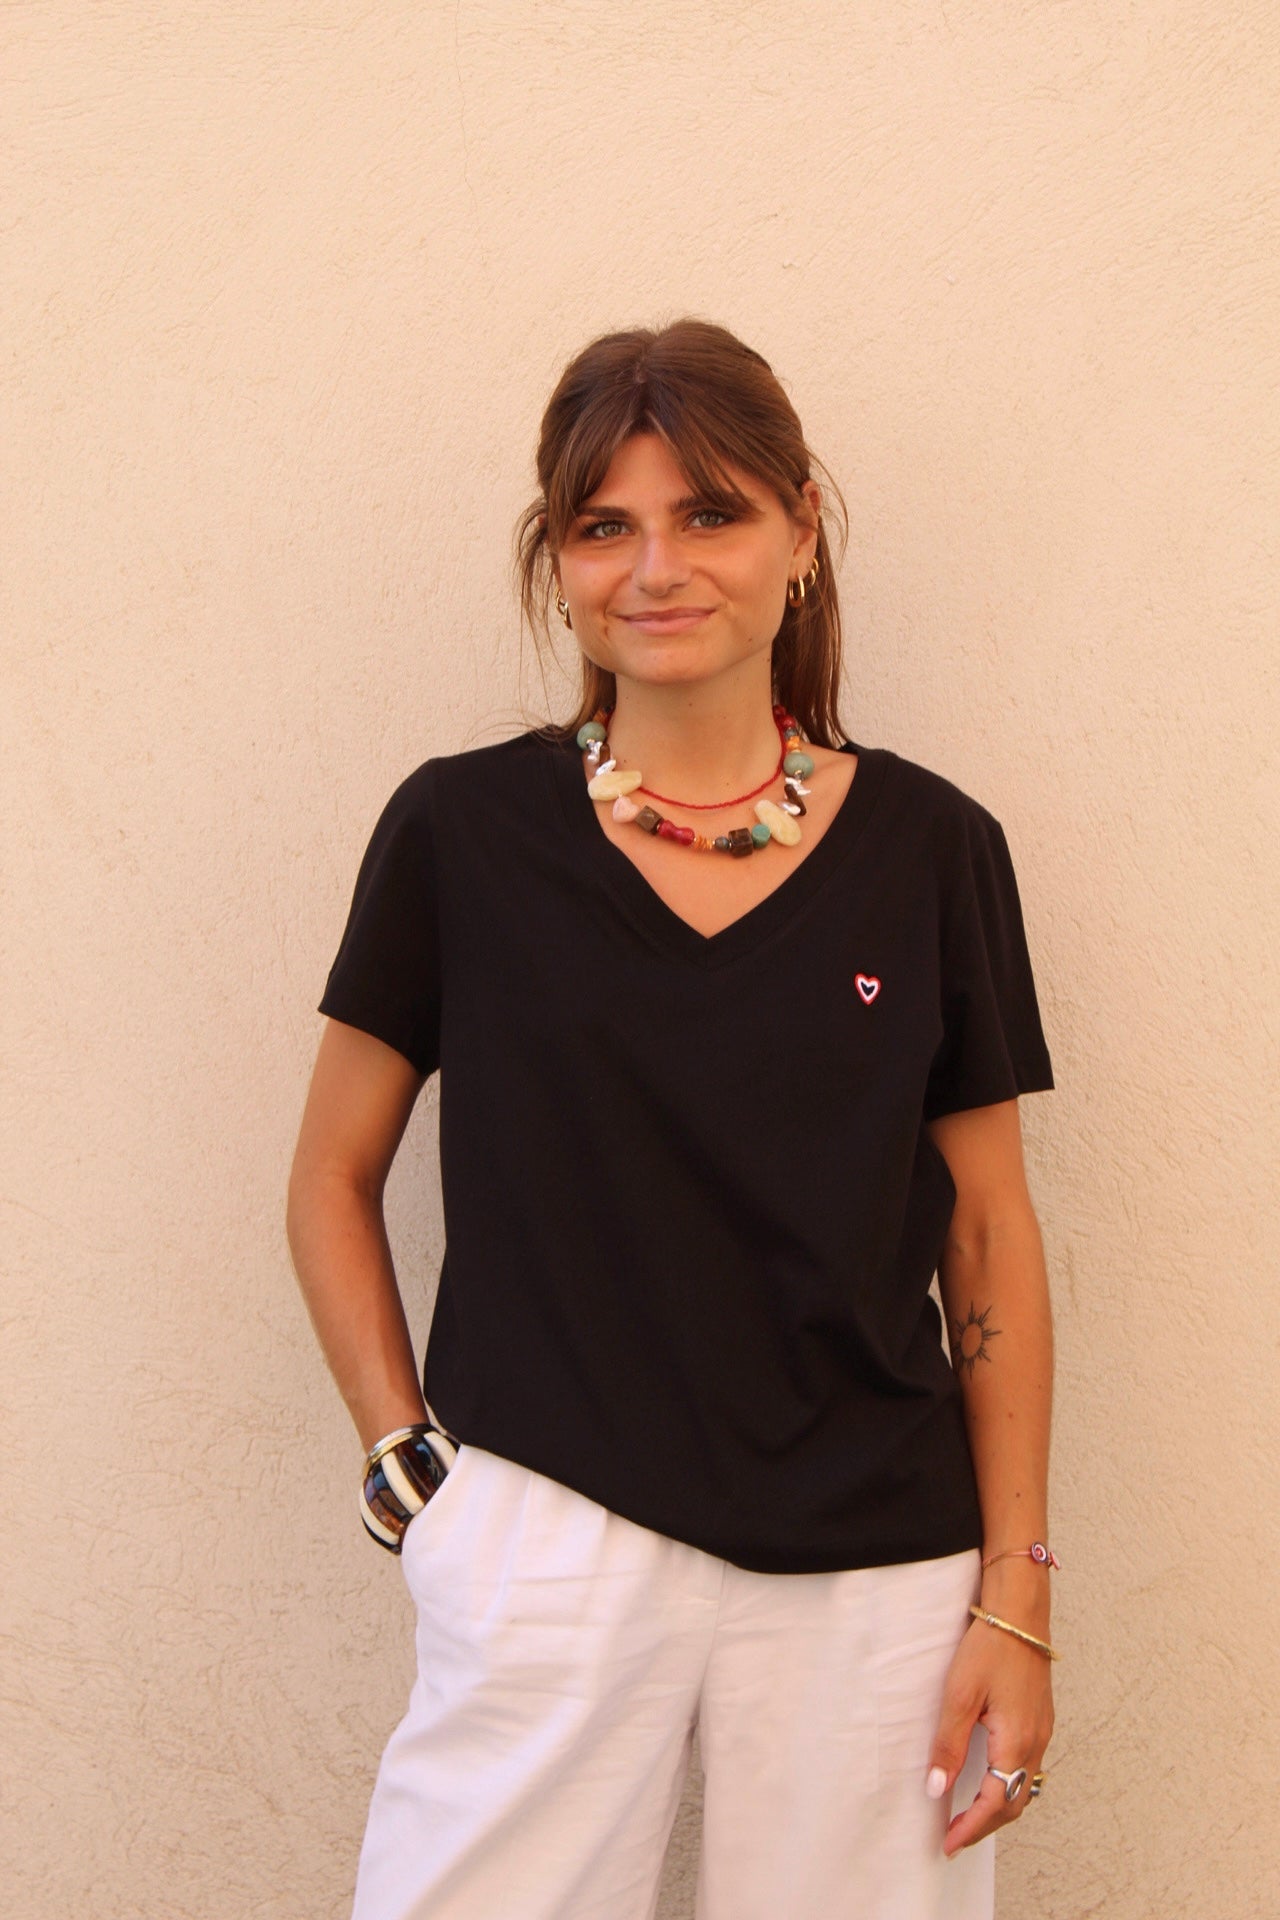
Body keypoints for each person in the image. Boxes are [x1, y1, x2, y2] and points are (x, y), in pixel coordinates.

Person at [286, 318, 1057, 1920]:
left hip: (874, 1569)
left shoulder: (934, 852)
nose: (657, 567)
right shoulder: (460, 834)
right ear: (558, 560)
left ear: (801, 531)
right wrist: (411, 1476)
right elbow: (330, 1177)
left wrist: (1017, 1597)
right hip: (545, 1532)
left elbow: (987, 1237)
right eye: (604, 525)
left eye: (709, 513)